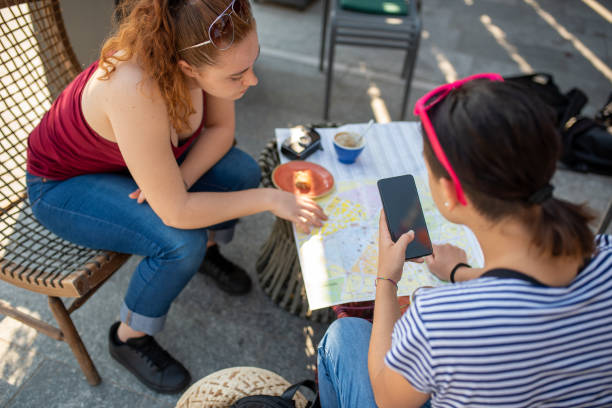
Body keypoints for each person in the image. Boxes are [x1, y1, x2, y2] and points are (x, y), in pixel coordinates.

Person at [26, 0, 326, 394]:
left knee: (241, 172)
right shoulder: (134, 89)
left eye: (252, 64)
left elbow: (220, 131)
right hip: (64, 185)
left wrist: (176, 180)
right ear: (187, 69)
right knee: (183, 241)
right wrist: (269, 199)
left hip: (132, 164)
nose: (250, 81)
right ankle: (129, 337)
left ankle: (209, 253)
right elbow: (177, 212)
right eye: (238, 74)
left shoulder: (199, 47)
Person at [317, 74, 612, 407]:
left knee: (345, 337)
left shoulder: (440, 320)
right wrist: (460, 271)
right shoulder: (606, 254)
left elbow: (388, 401)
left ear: (450, 191)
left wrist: (386, 278)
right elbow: (530, 287)